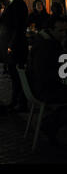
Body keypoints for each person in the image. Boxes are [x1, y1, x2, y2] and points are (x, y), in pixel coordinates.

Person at [27, 15, 67, 145]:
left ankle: (50, 124)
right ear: (51, 29)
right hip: (45, 88)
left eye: (65, 31)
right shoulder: (48, 46)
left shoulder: (44, 41)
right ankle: (50, 124)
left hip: (39, 86)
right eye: (60, 31)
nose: (64, 34)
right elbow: (56, 72)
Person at [0, 0, 29, 112]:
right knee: (14, 75)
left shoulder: (18, 5)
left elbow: (18, 27)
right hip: (11, 44)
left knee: (17, 75)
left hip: (16, 46)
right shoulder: (11, 4)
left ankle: (20, 102)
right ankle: (16, 100)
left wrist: (11, 45)